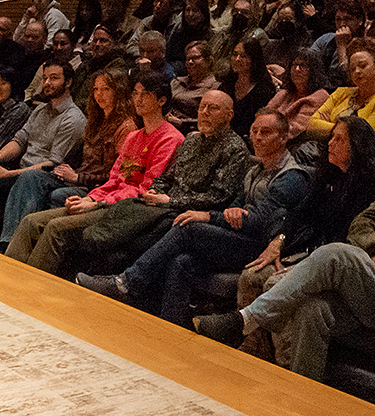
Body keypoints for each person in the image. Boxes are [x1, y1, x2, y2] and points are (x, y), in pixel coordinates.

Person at [196, 121, 375, 383]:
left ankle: (244, 320)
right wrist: (372, 251)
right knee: (311, 309)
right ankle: (297, 390)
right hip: (367, 274)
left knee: (335, 254)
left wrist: (373, 249)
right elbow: (362, 221)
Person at [127, 104, 308, 324]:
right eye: (254, 131)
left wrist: (208, 216)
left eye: (266, 132)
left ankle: (129, 282)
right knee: (182, 261)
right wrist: (226, 214)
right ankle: (169, 327)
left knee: (189, 229)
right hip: (242, 238)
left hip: (262, 248)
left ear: (283, 138)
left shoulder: (291, 177)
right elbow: (234, 208)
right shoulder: (254, 170)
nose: (257, 137)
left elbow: (259, 221)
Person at [3, 71, 189, 276]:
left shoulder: (170, 138)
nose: (138, 99)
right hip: (106, 200)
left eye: (145, 94)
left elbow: (145, 190)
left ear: (161, 100)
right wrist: (91, 197)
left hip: (127, 210)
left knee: (56, 228)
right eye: (135, 93)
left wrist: (96, 203)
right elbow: (115, 179)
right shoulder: (134, 136)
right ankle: (5, 283)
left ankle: (29, 292)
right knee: (31, 222)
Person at [0, 58, 85, 239]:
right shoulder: (40, 110)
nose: (47, 83)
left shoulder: (72, 118)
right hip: (19, 168)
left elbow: (53, 164)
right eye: (45, 78)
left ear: (68, 82)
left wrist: (9, 174)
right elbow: (19, 141)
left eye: (54, 78)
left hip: (40, 177)